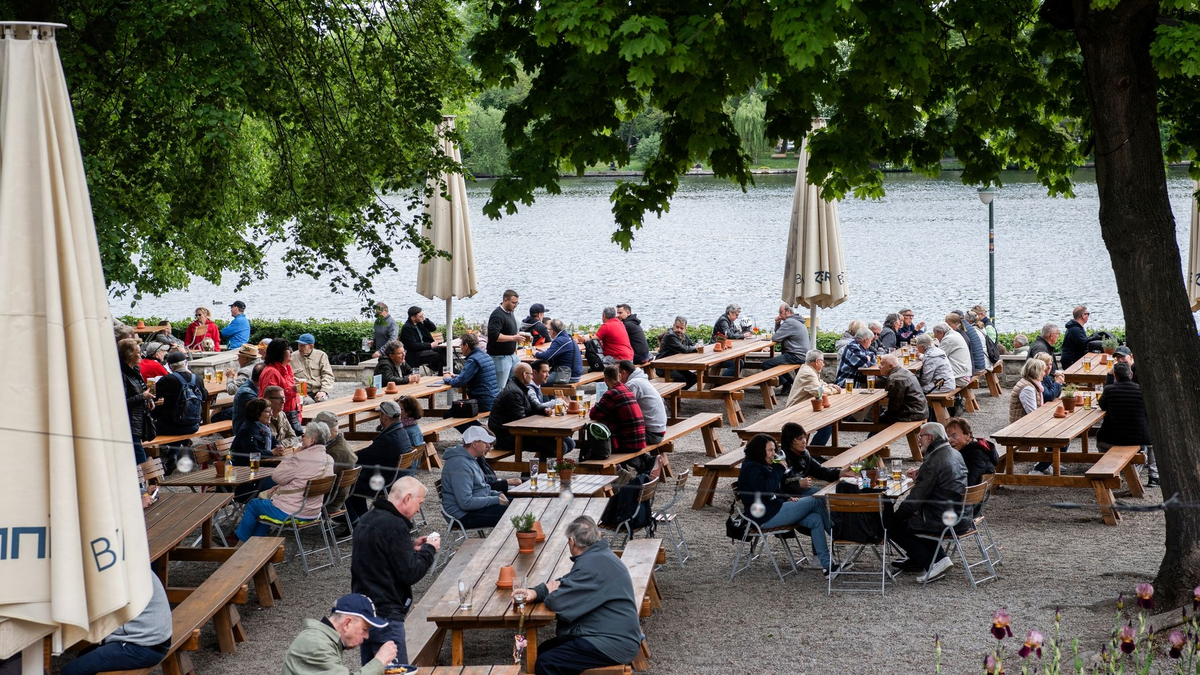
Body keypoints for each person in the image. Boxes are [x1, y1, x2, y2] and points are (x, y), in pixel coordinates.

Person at [511, 516, 643, 675]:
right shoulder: (599, 556)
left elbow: (557, 602)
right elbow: (566, 582)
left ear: (572, 541)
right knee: (543, 651)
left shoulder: (591, 566)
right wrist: (536, 592)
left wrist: (551, 591)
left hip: (612, 643)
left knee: (547, 663)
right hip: (609, 633)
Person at [351, 476, 440, 666]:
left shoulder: (368, 517)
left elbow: (380, 554)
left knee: (371, 668)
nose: (419, 509)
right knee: (396, 669)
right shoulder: (396, 525)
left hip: (364, 608)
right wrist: (429, 550)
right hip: (386, 612)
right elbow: (411, 573)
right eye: (420, 503)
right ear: (407, 498)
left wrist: (409, 546)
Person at [735, 434, 832, 573]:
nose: (774, 454)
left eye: (774, 450)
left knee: (815, 519)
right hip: (764, 516)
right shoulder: (751, 468)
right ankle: (835, 533)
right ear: (759, 451)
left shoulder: (762, 464)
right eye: (770, 450)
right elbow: (766, 489)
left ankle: (827, 566)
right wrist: (779, 469)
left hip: (774, 508)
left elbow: (775, 489)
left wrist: (786, 497)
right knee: (815, 500)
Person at [230, 421, 335, 544]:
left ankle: (240, 545)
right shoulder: (329, 459)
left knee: (254, 505)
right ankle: (254, 547)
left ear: (312, 440)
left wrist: (292, 455)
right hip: (314, 511)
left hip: (292, 511)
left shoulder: (300, 458)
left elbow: (277, 477)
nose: (302, 438)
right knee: (264, 511)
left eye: (304, 436)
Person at [887, 423, 967, 582]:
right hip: (961, 514)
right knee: (910, 520)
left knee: (894, 525)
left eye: (920, 437)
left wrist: (894, 517)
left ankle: (934, 562)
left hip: (940, 518)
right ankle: (921, 560)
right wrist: (922, 475)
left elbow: (914, 501)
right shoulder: (954, 453)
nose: (919, 441)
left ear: (929, 438)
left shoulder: (934, 461)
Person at [61, 574, 172, 675]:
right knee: (83, 656)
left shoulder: (114, 574)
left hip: (142, 646)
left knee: (71, 671)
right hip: (155, 639)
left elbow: (90, 612)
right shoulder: (130, 563)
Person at [280, 593, 397, 675]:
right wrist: (380, 661)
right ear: (347, 623)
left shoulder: (324, 639)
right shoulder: (316, 645)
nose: (367, 636)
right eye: (364, 629)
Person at [346, 400, 416, 523]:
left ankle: (355, 520)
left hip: (386, 484)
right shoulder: (402, 432)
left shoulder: (388, 439)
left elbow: (360, 458)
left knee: (346, 483)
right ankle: (361, 517)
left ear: (384, 417)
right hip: (399, 481)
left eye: (380, 415)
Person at [1098, 362, 1156, 486]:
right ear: (1130, 374)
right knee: (1152, 442)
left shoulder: (1109, 389)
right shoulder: (1142, 390)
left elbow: (1102, 405)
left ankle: (1107, 469)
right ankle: (1154, 475)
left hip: (1116, 438)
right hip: (1140, 437)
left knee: (1100, 439)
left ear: (1116, 377)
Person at [441, 426, 510, 528]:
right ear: (474, 443)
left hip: (473, 509)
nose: (489, 449)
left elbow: (480, 489)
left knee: (519, 504)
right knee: (514, 512)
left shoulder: (470, 459)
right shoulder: (460, 465)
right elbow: (466, 503)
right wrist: (496, 500)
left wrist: (497, 494)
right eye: (486, 443)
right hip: (463, 516)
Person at [489, 363, 555, 456]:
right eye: (531, 374)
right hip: (506, 437)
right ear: (524, 375)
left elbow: (534, 405)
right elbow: (521, 422)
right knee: (556, 444)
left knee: (564, 442)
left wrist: (544, 409)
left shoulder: (520, 387)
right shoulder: (513, 392)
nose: (532, 377)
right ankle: (533, 470)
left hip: (514, 433)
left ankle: (534, 469)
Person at [784, 350, 841, 446]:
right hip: (796, 411)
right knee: (827, 426)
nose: (824, 364)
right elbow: (818, 392)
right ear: (817, 361)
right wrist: (834, 390)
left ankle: (814, 452)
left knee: (829, 421)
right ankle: (814, 454)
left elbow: (819, 383)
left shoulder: (809, 369)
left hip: (804, 408)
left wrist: (830, 385)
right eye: (823, 361)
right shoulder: (808, 372)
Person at [778, 423, 849, 497]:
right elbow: (777, 486)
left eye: (804, 437)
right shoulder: (781, 458)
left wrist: (840, 473)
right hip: (786, 498)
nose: (804, 441)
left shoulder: (804, 454)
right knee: (819, 496)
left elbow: (820, 471)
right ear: (789, 441)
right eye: (799, 439)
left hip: (800, 492)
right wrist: (797, 484)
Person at [589, 364, 646, 456]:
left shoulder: (611, 394)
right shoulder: (627, 389)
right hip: (640, 439)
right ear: (619, 376)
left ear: (605, 380)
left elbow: (594, 414)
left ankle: (618, 469)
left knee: (597, 434)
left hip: (628, 443)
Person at [119, 338, 155, 464]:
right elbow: (121, 402)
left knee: (138, 454)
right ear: (129, 355)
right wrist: (143, 397)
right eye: (138, 352)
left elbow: (141, 390)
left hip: (139, 420)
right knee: (140, 456)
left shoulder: (135, 370)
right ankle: (142, 483)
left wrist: (148, 400)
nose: (142, 355)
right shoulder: (121, 374)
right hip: (128, 421)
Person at [443, 332, 500, 411]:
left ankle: (476, 424)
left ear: (466, 346)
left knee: (448, 414)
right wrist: (455, 376)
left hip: (481, 402)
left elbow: (460, 382)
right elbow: (475, 377)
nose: (461, 348)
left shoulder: (473, 360)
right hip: (493, 400)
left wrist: (447, 379)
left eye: (461, 346)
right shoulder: (486, 355)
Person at [313, 410, 356, 513]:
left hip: (327, 500)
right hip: (338, 496)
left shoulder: (334, 453)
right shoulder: (339, 444)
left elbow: (314, 477)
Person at [617, 360, 667, 447]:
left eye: (617, 374)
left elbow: (621, 407)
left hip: (652, 434)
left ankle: (646, 460)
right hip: (658, 430)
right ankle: (648, 459)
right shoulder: (640, 379)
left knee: (613, 437)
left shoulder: (633, 384)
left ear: (623, 373)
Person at [153, 351, 203, 436]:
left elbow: (152, 396)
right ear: (186, 363)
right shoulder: (197, 379)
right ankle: (181, 445)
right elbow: (204, 396)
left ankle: (170, 448)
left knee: (150, 426)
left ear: (169, 366)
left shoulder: (167, 379)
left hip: (170, 426)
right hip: (193, 426)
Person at [763, 304, 810, 392]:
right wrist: (777, 324)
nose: (779, 315)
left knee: (766, 364)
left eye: (781, 312)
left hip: (795, 355)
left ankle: (787, 384)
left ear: (788, 312)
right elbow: (780, 335)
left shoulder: (790, 322)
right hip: (802, 355)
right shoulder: (797, 320)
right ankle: (790, 384)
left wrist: (777, 324)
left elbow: (775, 338)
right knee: (776, 363)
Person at [260, 338, 302, 434]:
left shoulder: (287, 367)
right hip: (278, 416)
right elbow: (270, 398)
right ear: (279, 353)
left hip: (292, 413)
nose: (291, 351)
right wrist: (292, 390)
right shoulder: (271, 372)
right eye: (288, 349)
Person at [488, 289, 529, 387]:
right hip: (500, 357)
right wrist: (513, 338)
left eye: (517, 303)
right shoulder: (497, 315)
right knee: (500, 386)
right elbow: (495, 336)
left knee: (518, 382)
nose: (515, 305)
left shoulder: (510, 312)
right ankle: (498, 402)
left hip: (512, 356)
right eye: (513, 303)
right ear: (505, 300)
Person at [944, 417, 999, 490]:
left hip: (965, 498)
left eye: (954, 436)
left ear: (967, 435)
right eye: (948, 437)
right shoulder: (966, 450)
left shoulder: (975, 455)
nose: (950, 440)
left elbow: (969, 484)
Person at [877, 354, 928, 424]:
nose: (879, 366)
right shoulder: (903, 371)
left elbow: (895, 405)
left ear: (890, 366)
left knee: (879, 421)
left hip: (911, 414)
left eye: (882, 364)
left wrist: (885, 414)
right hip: (919, 411)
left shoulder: (895, 378)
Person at [654, 316, 699, 389]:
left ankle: (676, 395)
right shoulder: (670, 335)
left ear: (685, 329)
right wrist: (695, 348)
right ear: (673, 325)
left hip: (676, 366)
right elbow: (683, 349)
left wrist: (695, 347)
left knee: (693, 378)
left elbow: (692, 345)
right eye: (677, 327)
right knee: (681, 379)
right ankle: (672, 397)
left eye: (681, 328)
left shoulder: (683, 335)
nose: (679, 330)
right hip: (664, 367)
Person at [537, 319, 584, 384]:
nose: (549, 332)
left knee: (537, 380)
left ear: (552, 331)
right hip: (574, 373)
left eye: (549, 330)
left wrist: (535, 353)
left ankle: (542, 394)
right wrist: (545, 352)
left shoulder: (560, 340)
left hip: (567, 375)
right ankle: (549, 394)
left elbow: (546, 357)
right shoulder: (567, 337)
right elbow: (552, 353)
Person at [291, 333, 335, 402]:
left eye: (303, 346)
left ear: (311, 346)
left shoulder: (321, 356)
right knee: (308, 402)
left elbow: (327, 375)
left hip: (319, 390)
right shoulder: (292, 357)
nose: (300, 348)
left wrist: (323, 391)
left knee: (323, 400)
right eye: (299, 345)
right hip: (302, 392)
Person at [400, 306, 446, 371]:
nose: (422, 317)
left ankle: (447, 371)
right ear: (413, 318)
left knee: (445, 351)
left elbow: (433, 328)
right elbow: (413, 345)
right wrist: (430, 345)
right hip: (416, 353)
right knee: (441, 357)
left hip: (426, 349)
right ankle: (442, 374)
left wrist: (425, 320)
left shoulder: (419, 324)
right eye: (420, 316)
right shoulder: (407, 328)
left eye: (422, 315)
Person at [232, 397, 276, 462]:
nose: (271, 414)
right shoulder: (248, 430)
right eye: (268, 411)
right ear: (257, 413)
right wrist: (272, 453)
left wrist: (278, 447)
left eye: (271, 411)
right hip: (244, 467)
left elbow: (273, 440)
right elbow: (253, 453)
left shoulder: (263, 427)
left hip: (260, 463)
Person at [231, 364, 266, 436]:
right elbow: (262, 413)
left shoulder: (256, 386)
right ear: (263, 378)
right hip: (246, 435)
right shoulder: (246, 393)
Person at [947, 312, 985, 377]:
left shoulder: (960, 331)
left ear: (956, 322)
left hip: (976, 367)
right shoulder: (967, 327)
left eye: (949, 324)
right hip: (981, 364)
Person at [713, 303, 746, 376]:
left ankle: (727, 382)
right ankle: (720, 384)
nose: (737, 317)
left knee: (740, 361)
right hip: (717, 351)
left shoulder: (730, 321)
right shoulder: (723, 321)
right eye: (736, 315)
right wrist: (743, 335)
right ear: (730, 313)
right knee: (738, 363)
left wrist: (741, 335)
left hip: (724, 350)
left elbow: (736, 332)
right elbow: (729, 335)